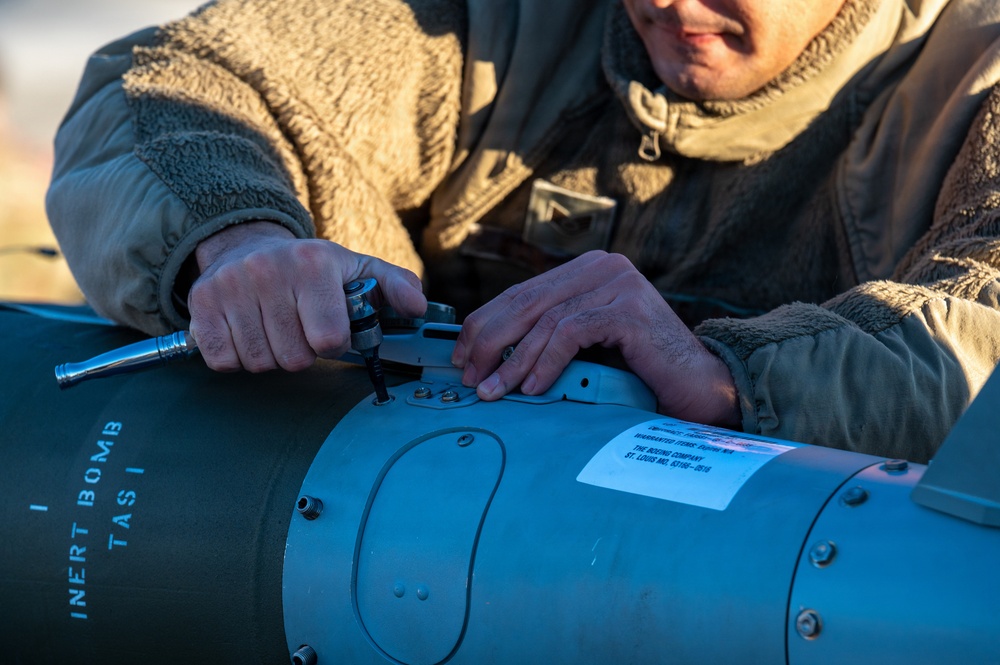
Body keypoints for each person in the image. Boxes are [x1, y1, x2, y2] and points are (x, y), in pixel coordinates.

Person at [46, 0, 1000, 462]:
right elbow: (175, 80)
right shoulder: (492, 15)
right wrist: (241, 242)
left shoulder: (976, 82)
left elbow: (980, 325)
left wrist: (731, 375)